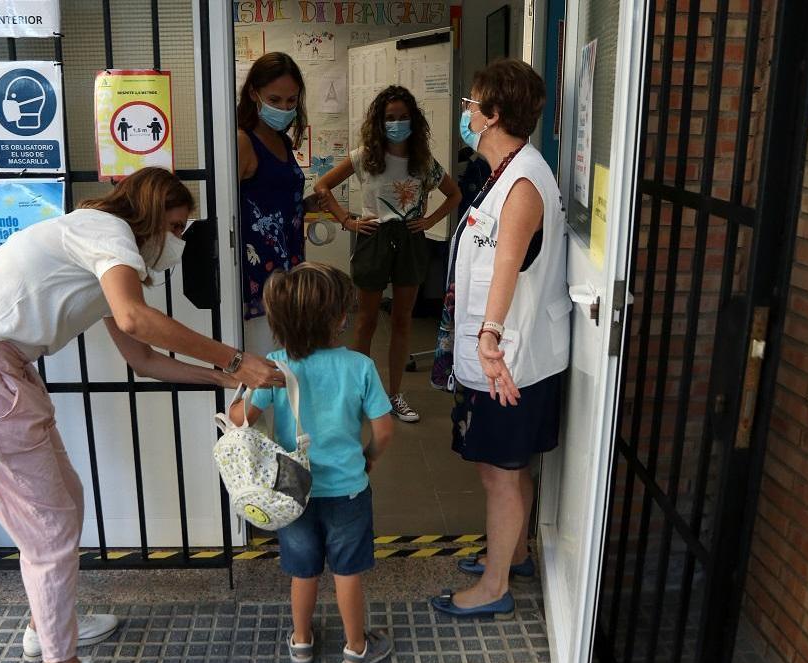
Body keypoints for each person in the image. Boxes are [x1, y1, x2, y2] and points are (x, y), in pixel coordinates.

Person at [0, 168, 283, 663]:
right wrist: (235, 359)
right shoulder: (105, 232)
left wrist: (225, 382)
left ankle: (44, 627)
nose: (178, 241)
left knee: (62, 502)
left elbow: (144, 360)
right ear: (149, 218)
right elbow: (135, 320)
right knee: (49, 527)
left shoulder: (99, 250)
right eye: (175, 227)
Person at [430, 59, 571, 619]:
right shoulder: (508, 171)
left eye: (471, 103)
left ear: (491, 116)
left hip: (509, 360)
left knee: (500, 472)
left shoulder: (523, 183)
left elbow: (509, 264)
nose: (466, 111)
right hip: (502, 354)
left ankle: (494, 588)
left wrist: (488, 341)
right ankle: (512, 555)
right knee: (507, 467)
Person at [229, 263, 396, 663]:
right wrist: (370, 455)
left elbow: (239, 418)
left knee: (302, 572)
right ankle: (356, 648)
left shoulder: (275, 367)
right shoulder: (359, 367)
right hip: (348, 491)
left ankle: (301, 642)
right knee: (347, 571)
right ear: (340, 318)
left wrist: (240, 392)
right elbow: (384, 430)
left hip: (293, 493)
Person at [314, 85, 461, 423]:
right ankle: (359, 395)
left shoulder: (423, 162)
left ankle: (395, 395)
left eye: (403, 118)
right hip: (374, 238)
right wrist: (346, 220)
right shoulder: (365, 156)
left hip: (410, 241)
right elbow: (322, 186)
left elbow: (453, 195)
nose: (397, 123)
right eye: (390, 118)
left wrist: (428, 220)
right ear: (380, 122)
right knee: (364, 322)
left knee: (401, 321)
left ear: (414, 121)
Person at [237, 52, 317, 358]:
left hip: (289, 271)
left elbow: (271, 203)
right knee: (264, 367)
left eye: (291, 100)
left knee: (289, 361)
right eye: (275, 99)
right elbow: (230, 210)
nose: (285, 108)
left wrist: (306, 204)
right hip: (258, 278)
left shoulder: (281, 140)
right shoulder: (243, 142)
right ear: (254, 94)